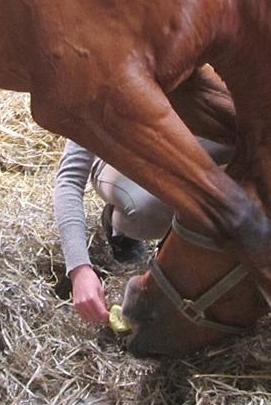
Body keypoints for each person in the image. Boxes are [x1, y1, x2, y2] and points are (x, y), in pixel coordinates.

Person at [54, 138, 233, 323]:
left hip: (186, 145)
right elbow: (69, 179)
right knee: (148, 210)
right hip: (123, 153)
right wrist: (79, 269)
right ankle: (119, 224)